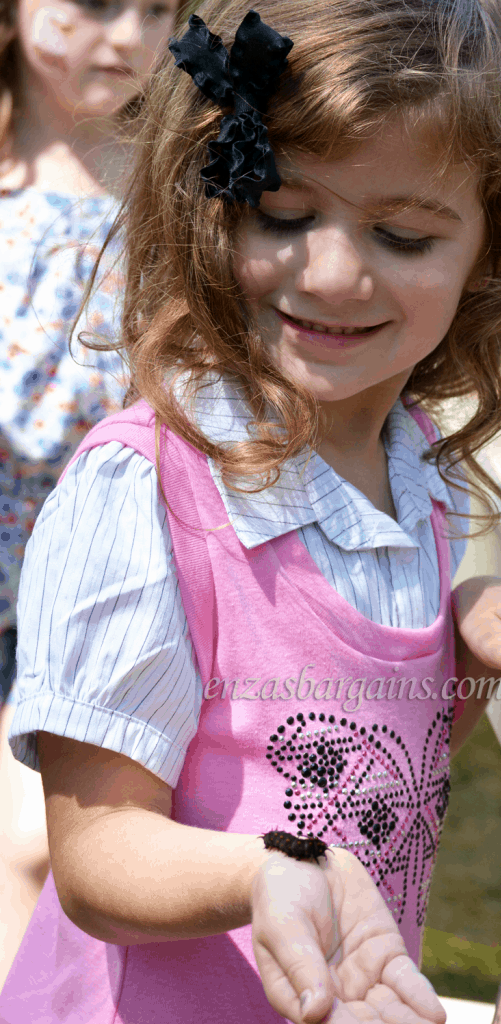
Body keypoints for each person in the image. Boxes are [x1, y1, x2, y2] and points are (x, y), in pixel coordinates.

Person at [2, 1, 501, 1022]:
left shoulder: (416, 475)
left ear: (492, 251)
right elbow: (96, 854)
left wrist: (464, 634)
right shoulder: (147, 495)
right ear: (216, 201)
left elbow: (356, 769)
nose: (331, 272)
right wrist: (267, 872)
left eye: (403, 234)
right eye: (283, 215)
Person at [0, 0, 181, 990]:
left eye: (157, 10)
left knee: (31, 842)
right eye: (98, 2)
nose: (125, 36)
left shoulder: (167, 194)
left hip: (87, 593)